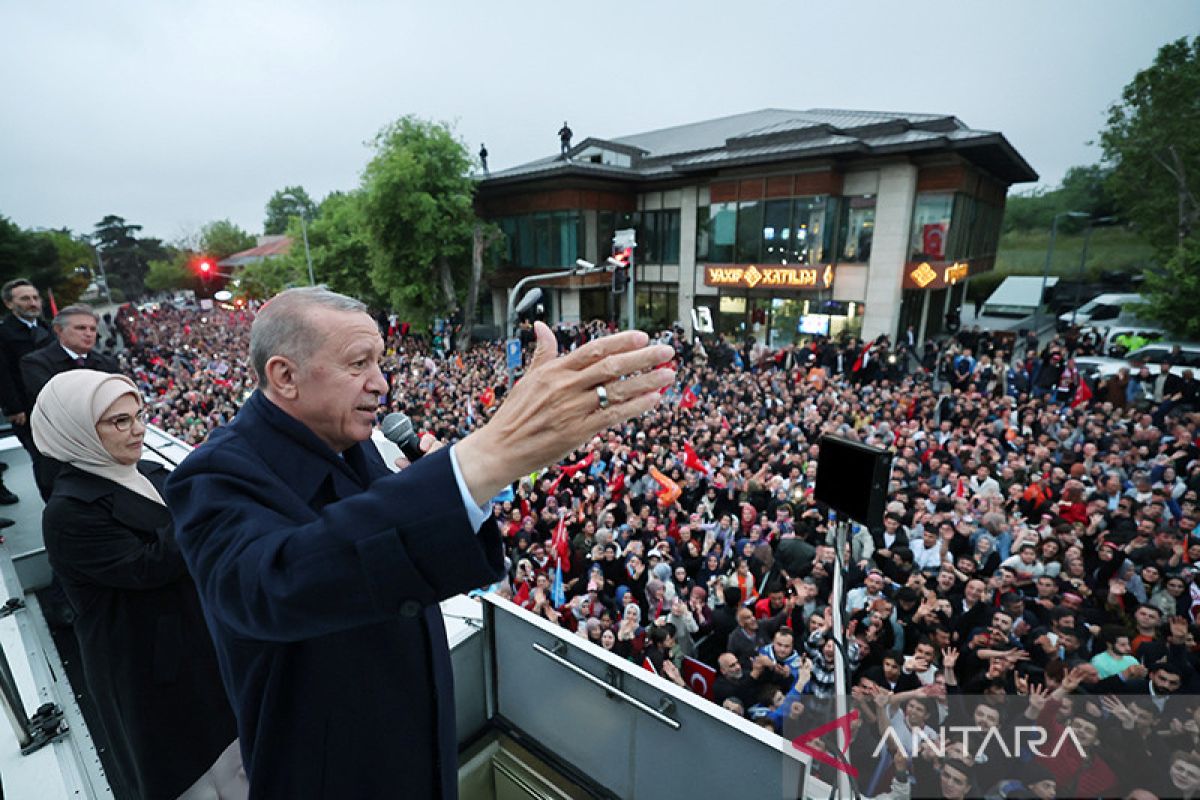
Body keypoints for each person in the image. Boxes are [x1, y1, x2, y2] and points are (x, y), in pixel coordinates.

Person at [164, 287, 674, 799]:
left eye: (380, 362)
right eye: (358, 363)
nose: (380, 384)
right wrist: (484, 457)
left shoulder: (353, 445)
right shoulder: (212, 475)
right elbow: (275, 585)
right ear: (285, 376)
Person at [31, 370, 237, 799]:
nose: (139, 429)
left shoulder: (146, 469)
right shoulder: (69, 512)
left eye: (139, 415)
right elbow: (147, 568)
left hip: (201, 647)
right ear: (78, 431)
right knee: (193, 778)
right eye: (119, 421)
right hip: (148, 673)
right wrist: (205, 500)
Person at [21, 303, 121, 498]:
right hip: (60, 454)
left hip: (103, 452)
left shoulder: (107, 363)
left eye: (92, 329)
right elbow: (56, 403)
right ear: (59, 330)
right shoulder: (34, 363)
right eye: (80, 328)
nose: (89, 333)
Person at [0, 277, 55, 507]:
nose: (33, 303)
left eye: (35, 297)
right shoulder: (3, 333)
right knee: (44, 463)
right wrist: (13, 407)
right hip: (27, 410)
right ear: (9, 304)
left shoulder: (47, 329)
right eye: (25, 298)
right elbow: (2, 374)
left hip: (54, 406)